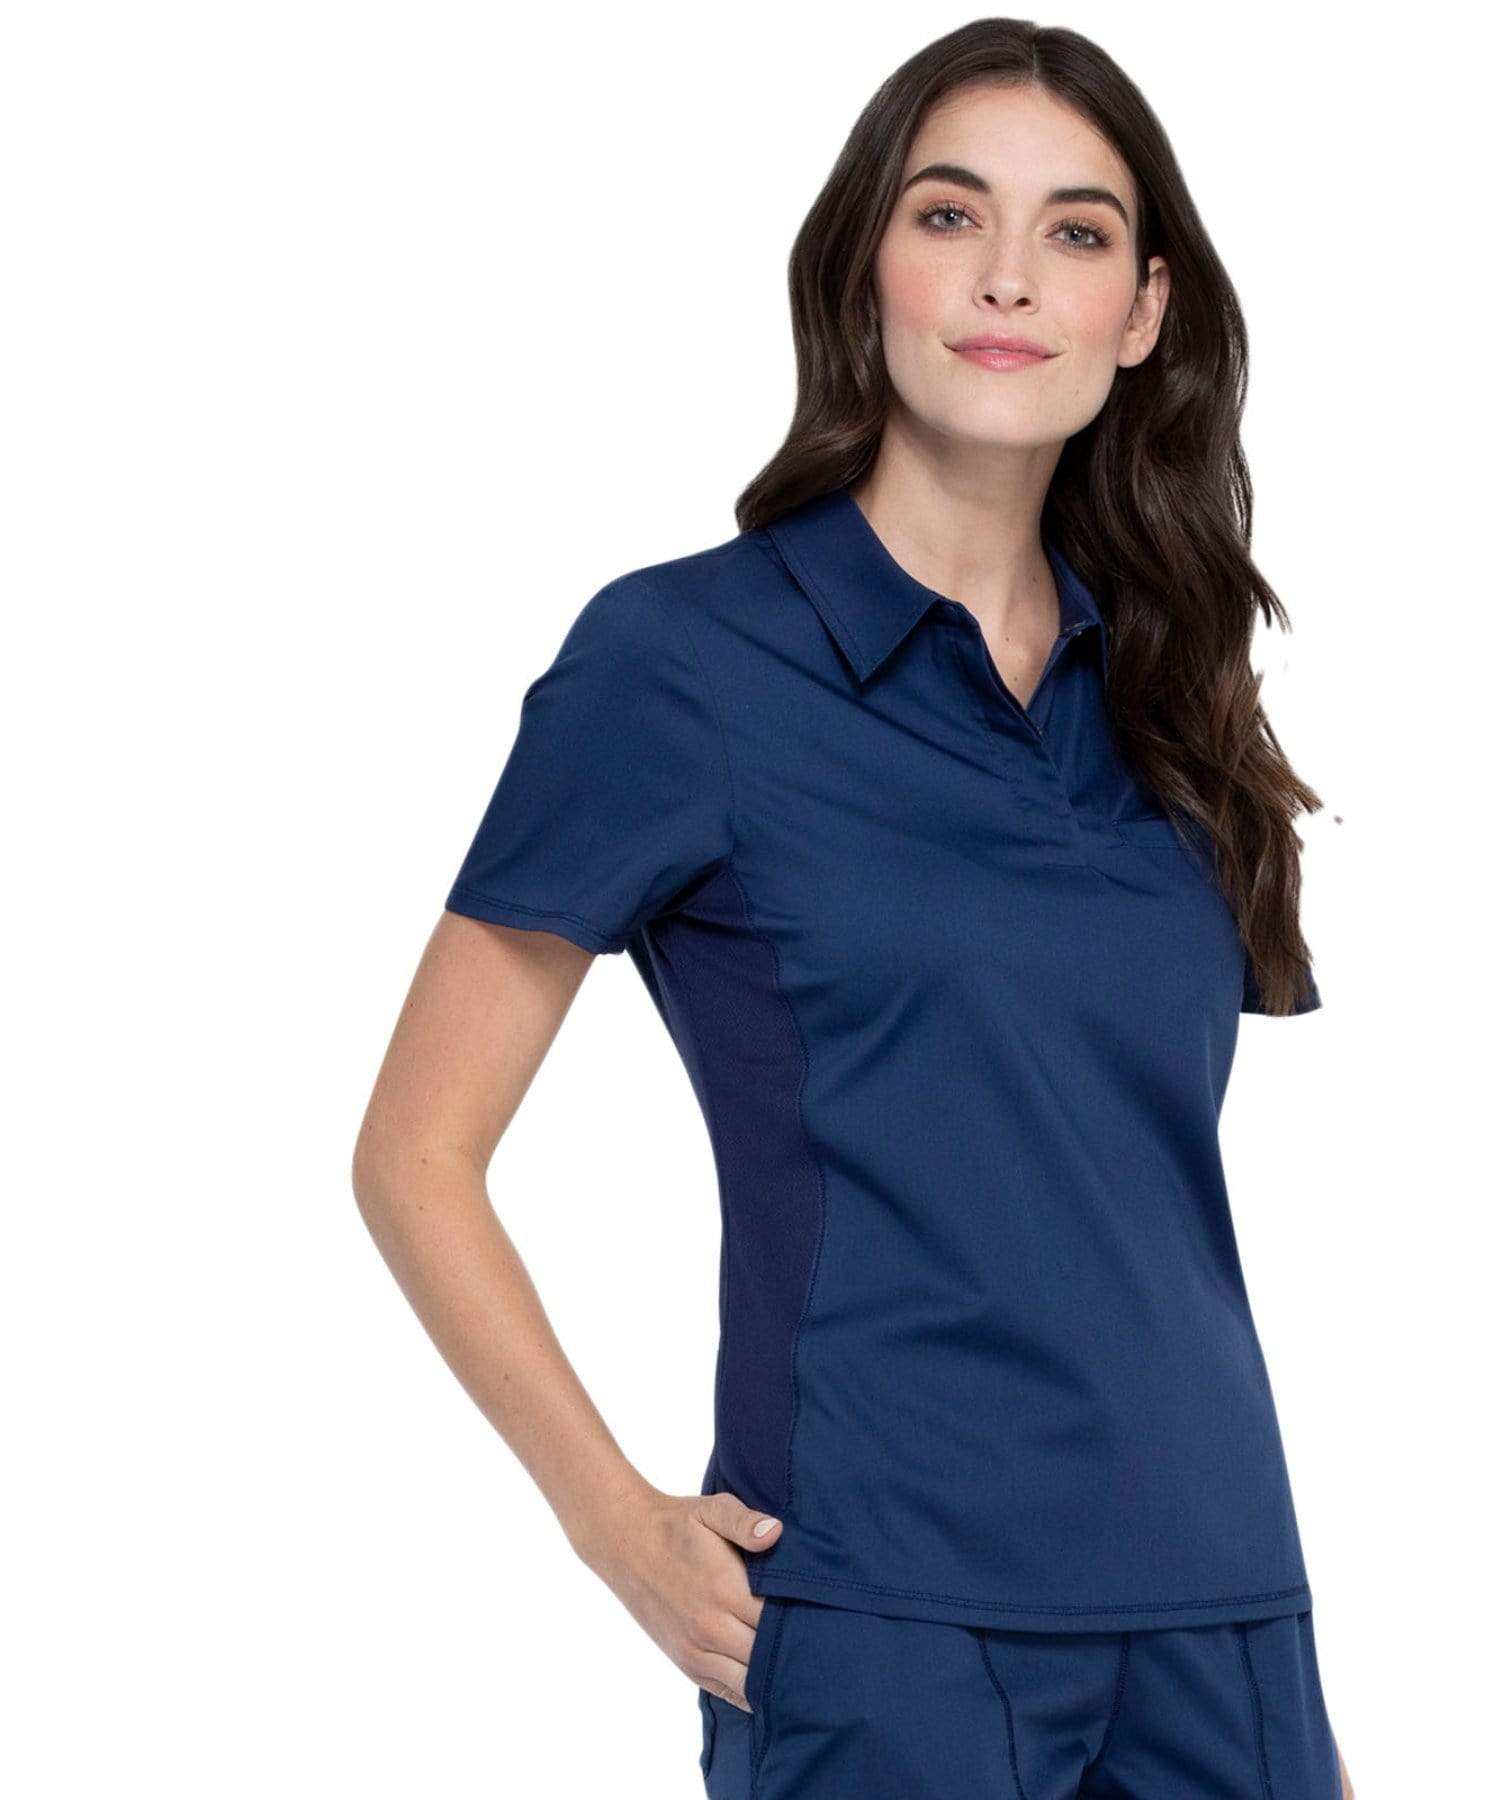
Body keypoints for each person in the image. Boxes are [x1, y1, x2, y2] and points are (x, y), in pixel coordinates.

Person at [354, 19, 1353, 1798]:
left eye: (1076, 233)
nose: (1009, 277)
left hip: (1224, 1608)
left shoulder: (1170, 694)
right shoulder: (682, 664)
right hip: (887, 1624)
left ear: (1143, 312)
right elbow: (415, 1156)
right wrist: (615, 1526)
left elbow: (1128, 1207)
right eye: (950, 215)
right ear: (860, 270)